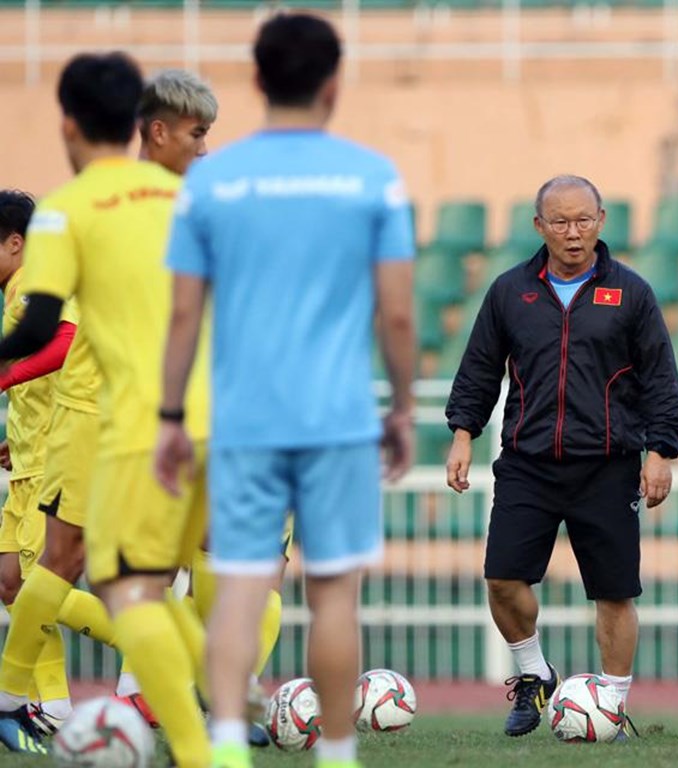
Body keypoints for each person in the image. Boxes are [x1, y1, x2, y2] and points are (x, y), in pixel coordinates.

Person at [156, 13, 416, 768]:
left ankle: (229, 747)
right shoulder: (372, 176)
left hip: (242, 419)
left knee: (239, 584)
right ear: (334, 83)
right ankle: (336, 754)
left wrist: (172, 415)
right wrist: (399, 407)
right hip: (336, 418)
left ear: (258, 80)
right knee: (332, 594)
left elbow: (182, 312)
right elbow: (397, 312)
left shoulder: (212, 182)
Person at [0, 52, 212, 767]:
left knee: (61, 567)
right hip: (193, 414)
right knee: (147, 582)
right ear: (141, 126)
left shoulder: (68, 208)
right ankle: (202, 722)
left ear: (66, 122)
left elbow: (41, 330)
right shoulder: (186, 201)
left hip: (101, 414)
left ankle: (8, 697)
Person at [445, 174, 678, 738]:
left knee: (615, 592)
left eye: (583, 220)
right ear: (539, 226)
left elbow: (659, 379)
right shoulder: (510, 291)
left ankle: (613, 706)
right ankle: (534, 677)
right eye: (560, 221)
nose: (573, 233)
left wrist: (661, 450)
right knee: (502, 579)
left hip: (608, 464)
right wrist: (463, 433)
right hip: (527, 464)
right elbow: (479, 367)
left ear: (602, 221)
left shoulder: (632, 292)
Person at [0, 189, 80, 752]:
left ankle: (169, 662)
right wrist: (14, 440)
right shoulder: (16, 289)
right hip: (28, 459)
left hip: (54, 461)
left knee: (35, 584)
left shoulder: (32, 282)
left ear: (14, 243)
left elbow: (67, 343)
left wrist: (2, 378)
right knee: (8, 579)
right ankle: (52, 703)